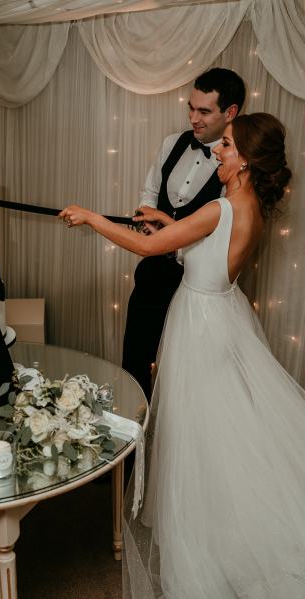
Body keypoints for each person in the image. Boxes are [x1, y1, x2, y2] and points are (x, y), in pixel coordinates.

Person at [59, 113, 305, 598]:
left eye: (228, 146)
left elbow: (147, 248)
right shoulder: (245, 204)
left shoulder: (220, 206)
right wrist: (171, 222)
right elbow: (204, 249)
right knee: (221, 432)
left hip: (203, 326)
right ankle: (224, 519)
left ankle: (215, 539)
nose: (218, 150)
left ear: (247, 162)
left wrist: (92, 218)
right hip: (220, 313)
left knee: (202, 433)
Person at [123, 67, 246, 399]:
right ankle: (136, 441)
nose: (193, 117)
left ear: (230, 112)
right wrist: (146, 218)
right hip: (153, 275)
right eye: (191, 108)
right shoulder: (171, 143)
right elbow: (150, 191)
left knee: (188, 378)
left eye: (204, 111)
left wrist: (167, 235)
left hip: (196, 285)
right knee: (135, 363)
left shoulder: (235, 165)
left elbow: (220, 235)